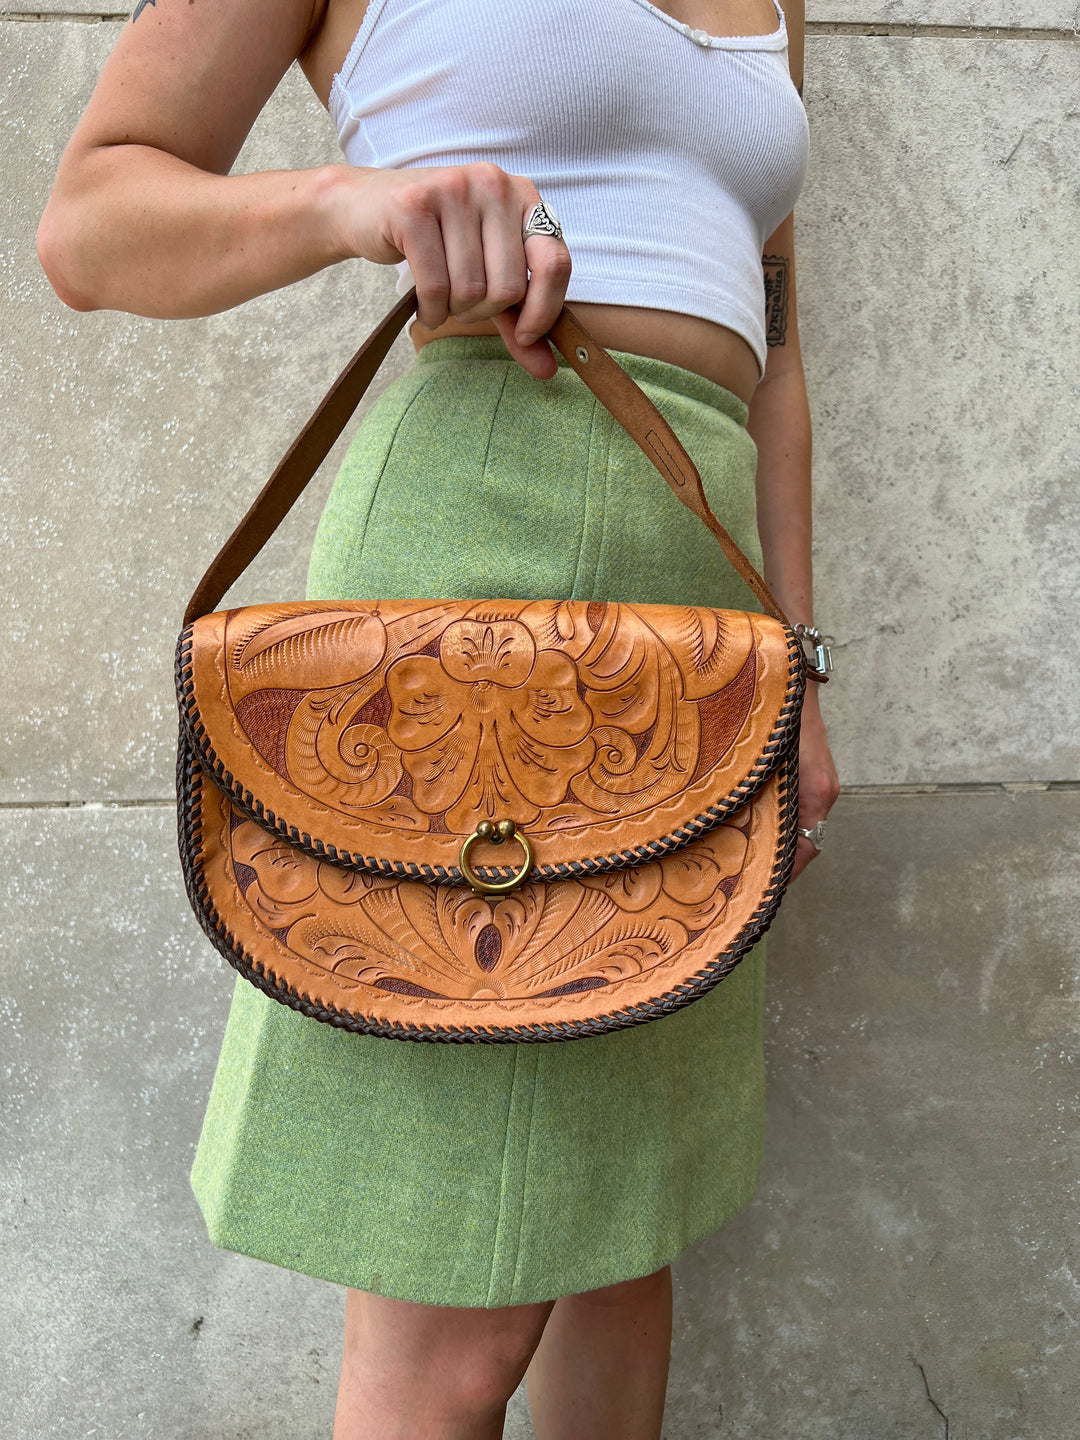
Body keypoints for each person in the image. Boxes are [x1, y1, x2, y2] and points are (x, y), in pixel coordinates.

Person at [38, 0, 839, 1434]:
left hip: (699, 615)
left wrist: (798, 668)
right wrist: (356, 203)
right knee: (449, 1334)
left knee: (621, 1243)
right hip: (483, 561)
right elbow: (90, 224)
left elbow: (778, 355)